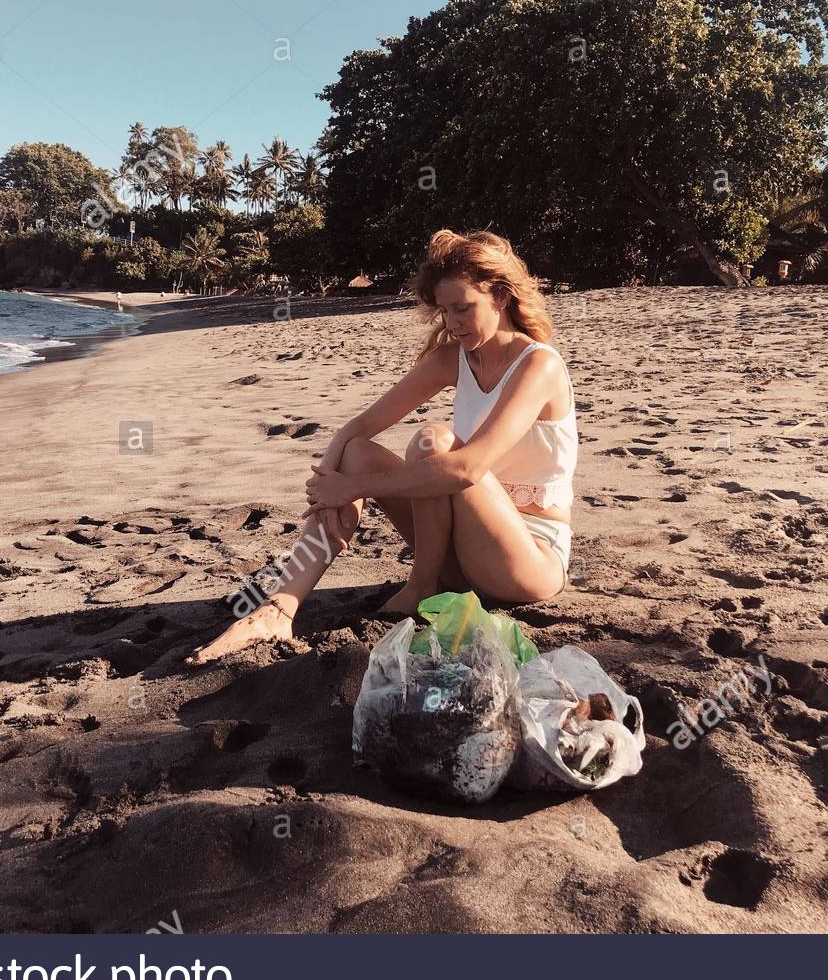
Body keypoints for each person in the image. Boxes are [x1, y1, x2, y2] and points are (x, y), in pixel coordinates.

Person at [188, 229, 578, 664]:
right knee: (356, 453)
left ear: (501, 297)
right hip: (460, 557)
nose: (452, 323)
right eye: (445, 311)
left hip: (525, 561)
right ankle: (280, 607)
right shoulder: (453, 357)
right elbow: (360, 426)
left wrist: (352, 490)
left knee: (435, 442)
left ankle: (422, 584)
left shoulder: (538, 365)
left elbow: (468, 469)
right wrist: (328, 487)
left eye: (463, 308)